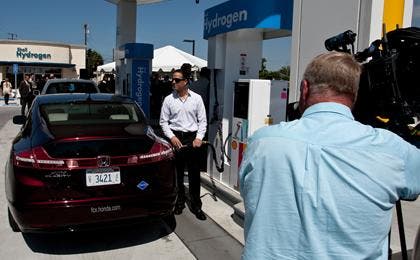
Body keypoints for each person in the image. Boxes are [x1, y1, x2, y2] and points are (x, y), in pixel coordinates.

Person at [239, 52, 420, 259]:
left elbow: (248, 191)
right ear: (355, 95)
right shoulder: (391, 148)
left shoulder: (261, 141)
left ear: (304, 88)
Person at [159, 68, 207, 221]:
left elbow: (203, 121)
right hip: (176, 137)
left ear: (186, 81)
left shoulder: (197, 99)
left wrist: (199, 137)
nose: (173, 82)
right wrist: (171, 137)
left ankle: (196, 204)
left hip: (192, 139)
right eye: (173, 79)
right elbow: (163, 122)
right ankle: (179, 202)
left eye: (177, 80)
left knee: (194, 173)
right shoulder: (168, 100)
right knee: (177, 173)